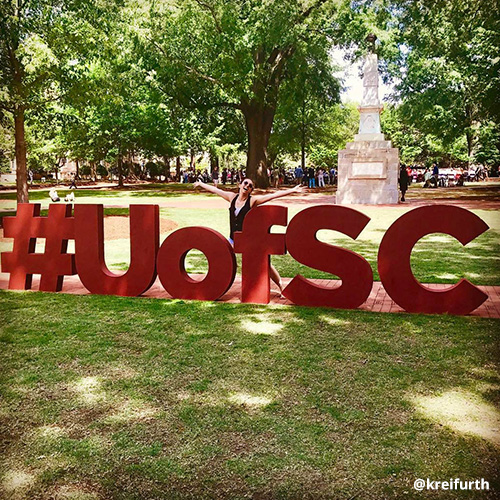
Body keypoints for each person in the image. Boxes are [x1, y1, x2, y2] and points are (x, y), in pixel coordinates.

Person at [194, 178, 304, 294]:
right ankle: (214, 285)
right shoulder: (232, 197)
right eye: (245, 183)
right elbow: (216, 190)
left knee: (266, 264)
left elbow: (273, 196)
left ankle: (281, 286)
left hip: (248, 241)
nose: (247, 186)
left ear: (251, 190)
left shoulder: (252, 201)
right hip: (233, 239)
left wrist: (292, 190)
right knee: (220, 257)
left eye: (250, 185)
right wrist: (201, 184)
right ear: (240, 185)